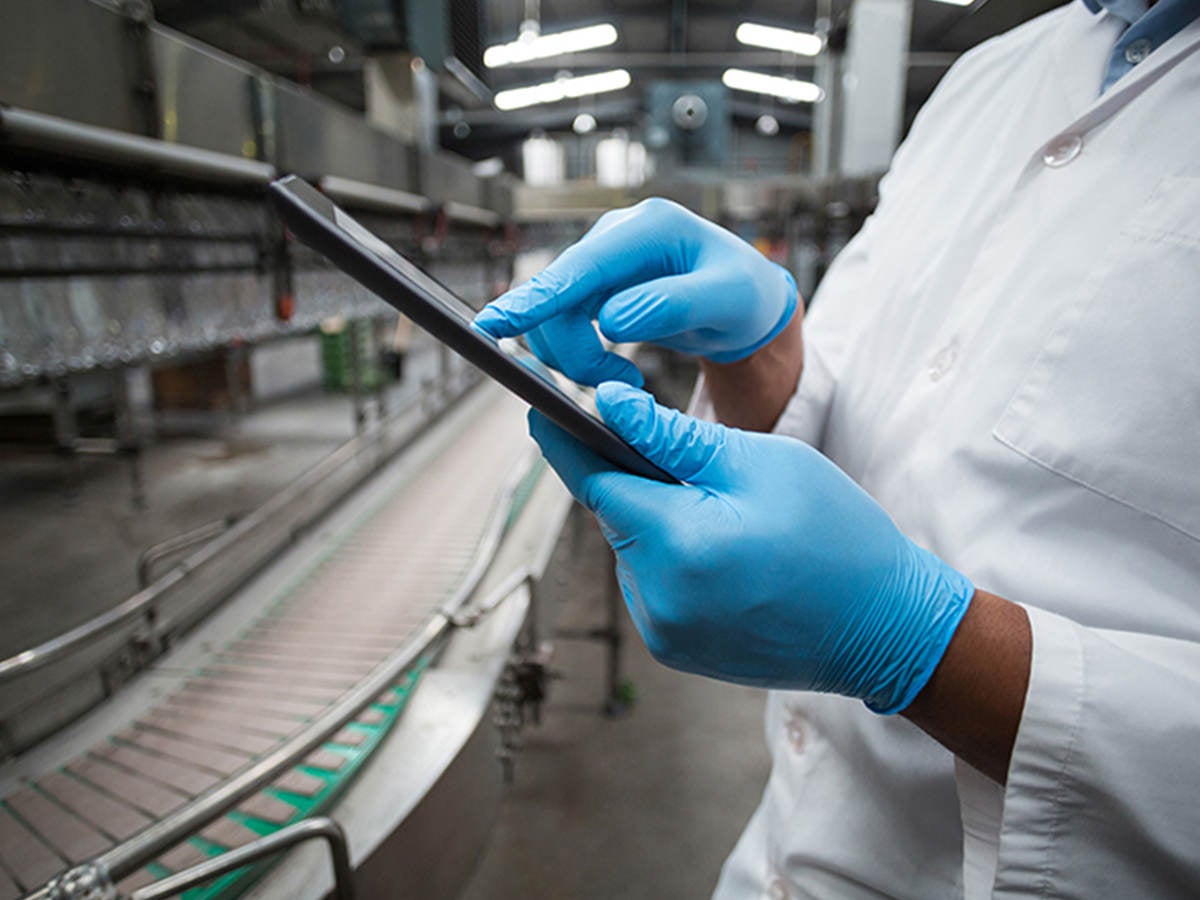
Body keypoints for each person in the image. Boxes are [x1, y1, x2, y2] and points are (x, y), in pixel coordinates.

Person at [474, 1, 1200, 896]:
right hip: (778, 854)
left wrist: (920, 644)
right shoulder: (989, 78)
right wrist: (760, 352)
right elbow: (867, 401)